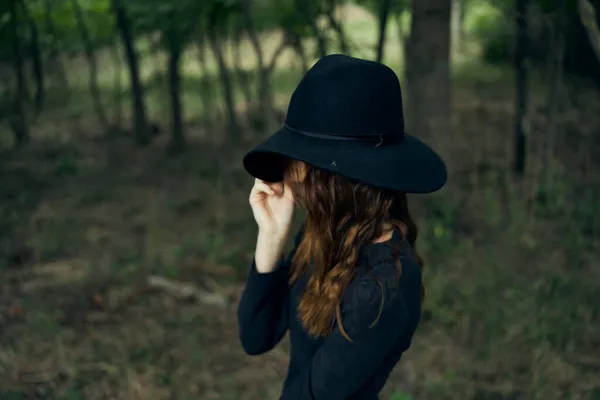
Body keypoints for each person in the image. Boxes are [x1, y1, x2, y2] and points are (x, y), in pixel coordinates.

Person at [237, 54, 447, 400]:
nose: (289, 171)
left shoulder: (381, 286)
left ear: (334, 179)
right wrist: (272, 236)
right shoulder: (324, 232)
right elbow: (256, 336)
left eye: (300, 159)